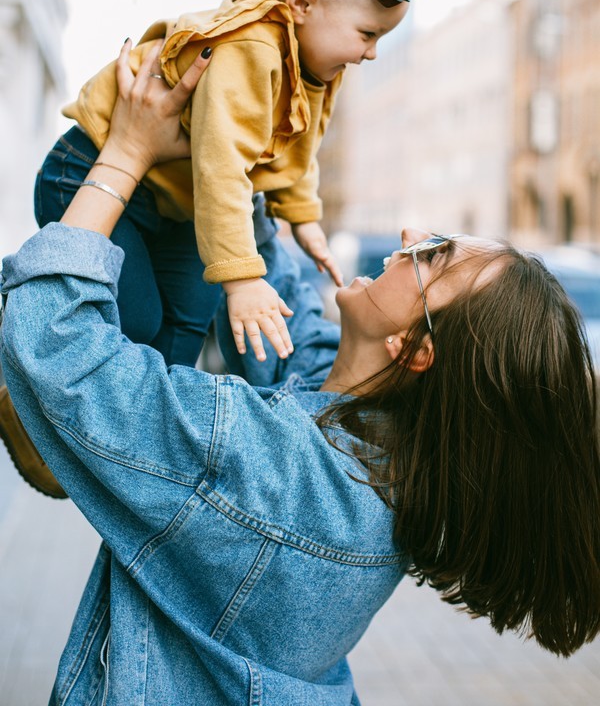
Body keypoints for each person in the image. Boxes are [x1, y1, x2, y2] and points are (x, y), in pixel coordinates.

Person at [1, 45, 599, 706]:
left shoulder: (277, 468)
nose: (408, 233)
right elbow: (286, 310)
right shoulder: (379, 444)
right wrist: (237, 126)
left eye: (433, 257)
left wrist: (125, 154)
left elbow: (55, 343)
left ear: (413, 348)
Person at [34, 0, 438, 370]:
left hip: (178, 204)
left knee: (188, 316)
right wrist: (243, 280)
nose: (370, 53)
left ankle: (152, 421)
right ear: (302, 3)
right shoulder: (249, 48)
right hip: (88, 171)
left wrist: (303, 217)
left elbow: (299, 143)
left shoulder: (312, 65)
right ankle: (37, 386)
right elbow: (222, 168)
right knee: (140, 319)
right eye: (368, 34)